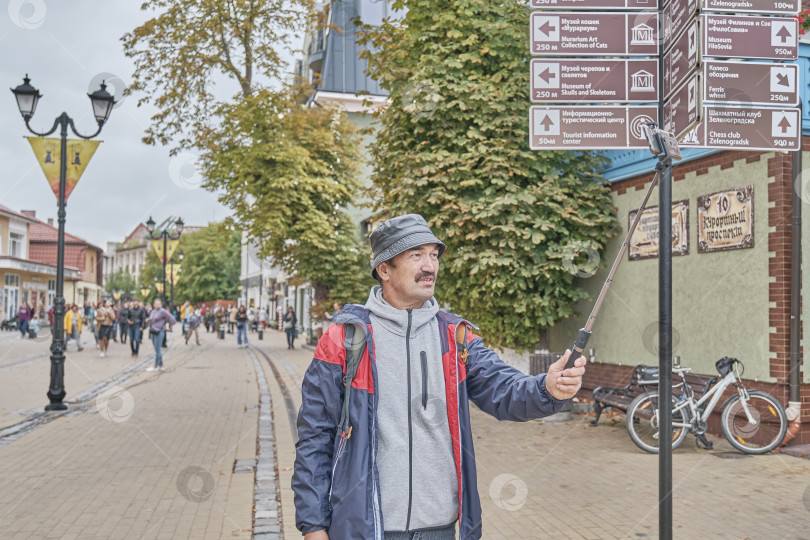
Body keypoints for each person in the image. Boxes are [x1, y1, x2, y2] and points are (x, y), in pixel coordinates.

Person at [292, 214, 586, 540]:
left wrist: (548, 388)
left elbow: (503, 389)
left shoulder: (455, 337)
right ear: (384, 269)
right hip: (367, 527)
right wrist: (313, 525)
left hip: (440, 529)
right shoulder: (344, 339)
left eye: (434, 254)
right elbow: (315, 438)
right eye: (416, 255)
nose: (430, 265)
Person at [146, 299, 176, 372]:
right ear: (154, 304)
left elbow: (171, 318)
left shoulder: (162, 311)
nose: (157, 305)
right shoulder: (153, 311)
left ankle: (155, 366)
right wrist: (148, 320)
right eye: (156, 304)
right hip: (153, 331)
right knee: (156, 349)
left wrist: (170, 327)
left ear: (161, 305)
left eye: (159, 304)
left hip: (160, 331)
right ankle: (161, 365)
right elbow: (151, 319)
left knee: (158, 349)